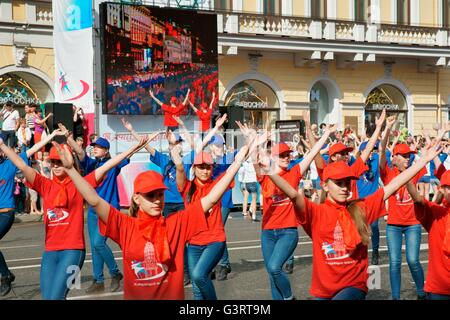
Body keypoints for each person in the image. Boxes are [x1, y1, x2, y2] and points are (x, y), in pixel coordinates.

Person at [56, 139, 253, 300]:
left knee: (198, 278)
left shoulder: (176, 223)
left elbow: (211, 199)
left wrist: (237, 162)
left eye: (159, 194)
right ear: (136, 198)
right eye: (150, 196)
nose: (157, 200)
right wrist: (71, 170)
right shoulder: (125, 225)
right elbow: (94, 200)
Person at [264, 143, 442, 300]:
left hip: (353, 287)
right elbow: (294, 194)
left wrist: (423, 161)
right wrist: (269, 171)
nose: (344, 187)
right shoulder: (316, 212)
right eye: (339, 183)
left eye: (347, 183)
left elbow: (394, 184)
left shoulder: (362, 207)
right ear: (325, 185)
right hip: (323, 291)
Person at [0, 135, 150, 299]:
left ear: (68, 162)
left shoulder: (81, 184)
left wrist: (132, 148)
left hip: (72, 251)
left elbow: (108, 166)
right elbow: (21, 163)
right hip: (50, 252)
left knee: (56, 297)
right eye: (53, 163)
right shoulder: (45, 185)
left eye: (60, 162)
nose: (56, 166)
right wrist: (2, 145)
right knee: (47, 297)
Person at [252, 125, 335, 300]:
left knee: (275, 268)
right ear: (273, 158)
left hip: (288, 231)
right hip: (267, 232)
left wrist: (326, 134)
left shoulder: (295, 171)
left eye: (288, 154)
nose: (286, 157)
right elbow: (254, 157)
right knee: (272, 274)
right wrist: (254, 140)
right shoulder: (265, 174)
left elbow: (312, 153)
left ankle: (289, 297)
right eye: (281, 155)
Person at [64, 126, 144, 294]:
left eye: (98, 147)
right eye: (93, 147)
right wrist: (68, 138)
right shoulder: (92, 164)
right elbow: (80, 153)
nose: (94, 149)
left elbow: (127, 156)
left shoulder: (112, 164)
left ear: (106, 150)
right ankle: (98, 280)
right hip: (93, 211)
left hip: (108, 210)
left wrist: (137, 141)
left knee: (99, 243)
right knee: (95, 247)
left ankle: (115, 273)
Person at [0, 128, 71, 297]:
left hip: (6, 213)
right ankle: (6, 274)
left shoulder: (9, 164)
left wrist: (52, 136)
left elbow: (32, 150)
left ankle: (5, 276)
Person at [379, 117, 428, 300]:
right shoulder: (388, 172)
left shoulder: (414, 170)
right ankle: (395, 296)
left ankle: (422, 292)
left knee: (413, 260)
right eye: (405, 156)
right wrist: (387, 129)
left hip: (413, 223)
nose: (409, 158)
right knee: (394, 262)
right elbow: (382, 150)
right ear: (395, 158)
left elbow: (426, 160)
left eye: (410, 156)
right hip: (393, 224)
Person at [404, 170, 450, 300]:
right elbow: (418, 199)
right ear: (441, 189)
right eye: (449, 187)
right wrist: (405, 174)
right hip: (439, 288)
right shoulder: (436, 212)